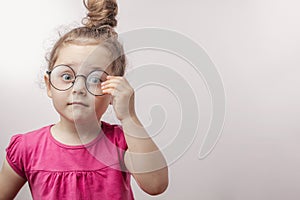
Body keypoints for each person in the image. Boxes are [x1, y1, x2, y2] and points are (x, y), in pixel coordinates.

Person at [0, 0, 168, 199]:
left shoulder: (122, 142)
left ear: (114, 89)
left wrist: (129, 117)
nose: (79, 88)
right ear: (48, 85)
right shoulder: (27, 148)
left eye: (95, 78)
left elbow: (156, 185)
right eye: (67, 76)